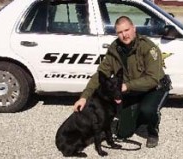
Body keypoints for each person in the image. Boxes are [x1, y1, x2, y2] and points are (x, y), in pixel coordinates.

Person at [73, 16, 170, 148]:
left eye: (127, 30)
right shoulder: (115, 49)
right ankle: (139, 116)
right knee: (123, 133)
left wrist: (126, 86)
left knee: (148, 109)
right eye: (120, 32)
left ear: (134, 28)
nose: (124, 35)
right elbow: (100, 75)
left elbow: (153, 79)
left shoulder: (148, 48)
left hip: (155, 88)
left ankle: (153, 130)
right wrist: (84, 97)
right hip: (132, 91)